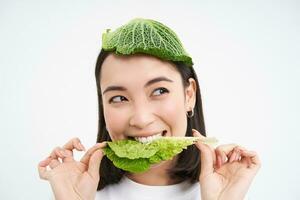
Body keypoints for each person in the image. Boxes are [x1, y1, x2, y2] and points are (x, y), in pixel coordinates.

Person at [38, 18, 261, 200]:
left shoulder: (227, 190)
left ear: (189, 95)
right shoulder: (80, 193)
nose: (142, 119)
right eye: (118, 97)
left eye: (159, 91)